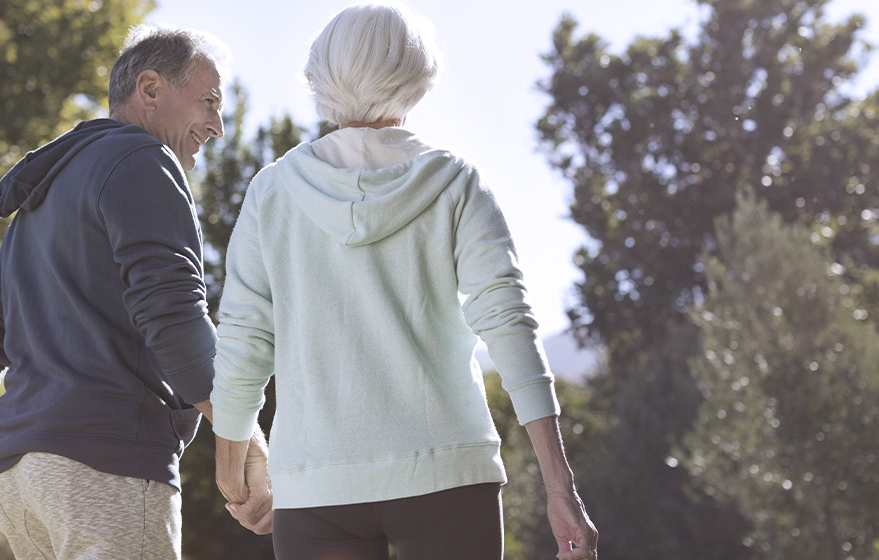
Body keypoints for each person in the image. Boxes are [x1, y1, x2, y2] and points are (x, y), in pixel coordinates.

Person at [208, 3, 598, 559]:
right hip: (449, 475)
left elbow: (245, 341)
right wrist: (561, 488)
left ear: (321, 74)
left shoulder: (273, 192)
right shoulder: (455, 183)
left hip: (317, 484)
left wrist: (234, 475)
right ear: (419, 75)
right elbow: (510, 325)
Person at [0, 25, 271, 560]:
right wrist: (248, 442)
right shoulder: (145, 160)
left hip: (18, 483)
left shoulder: (38, 205)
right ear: (149, 89)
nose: (217, 124)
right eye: (208, 101)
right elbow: (172, 316)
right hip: (105, 467)